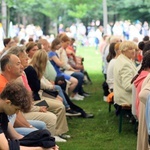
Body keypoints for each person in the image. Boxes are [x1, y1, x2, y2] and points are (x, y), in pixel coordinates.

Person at [24, 50, 69, 140]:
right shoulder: (31, 70)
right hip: (35, 101)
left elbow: (39, 86)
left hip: (36, 98)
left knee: (59, 103)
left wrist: (51, 87)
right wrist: (51, 87)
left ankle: (59, 132)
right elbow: (36, 88)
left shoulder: (34, 70)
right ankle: (57, 133)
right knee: (60, 107)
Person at [0, 81, 58, 150]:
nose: (16, 113)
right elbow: (5, 147)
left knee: (43, 136)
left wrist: (46, 144)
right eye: (16, 109)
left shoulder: (3, 111)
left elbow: (15, 136)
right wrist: (41, 148)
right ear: (8, 102)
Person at [113, 41, 137, 112]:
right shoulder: (125, 64)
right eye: (130, 49)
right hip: (126, 98)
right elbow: (128, 87)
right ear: (124, 50)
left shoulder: (122, 59)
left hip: (121, 94)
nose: (133, 51)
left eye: (134, 49)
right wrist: (141, 84)